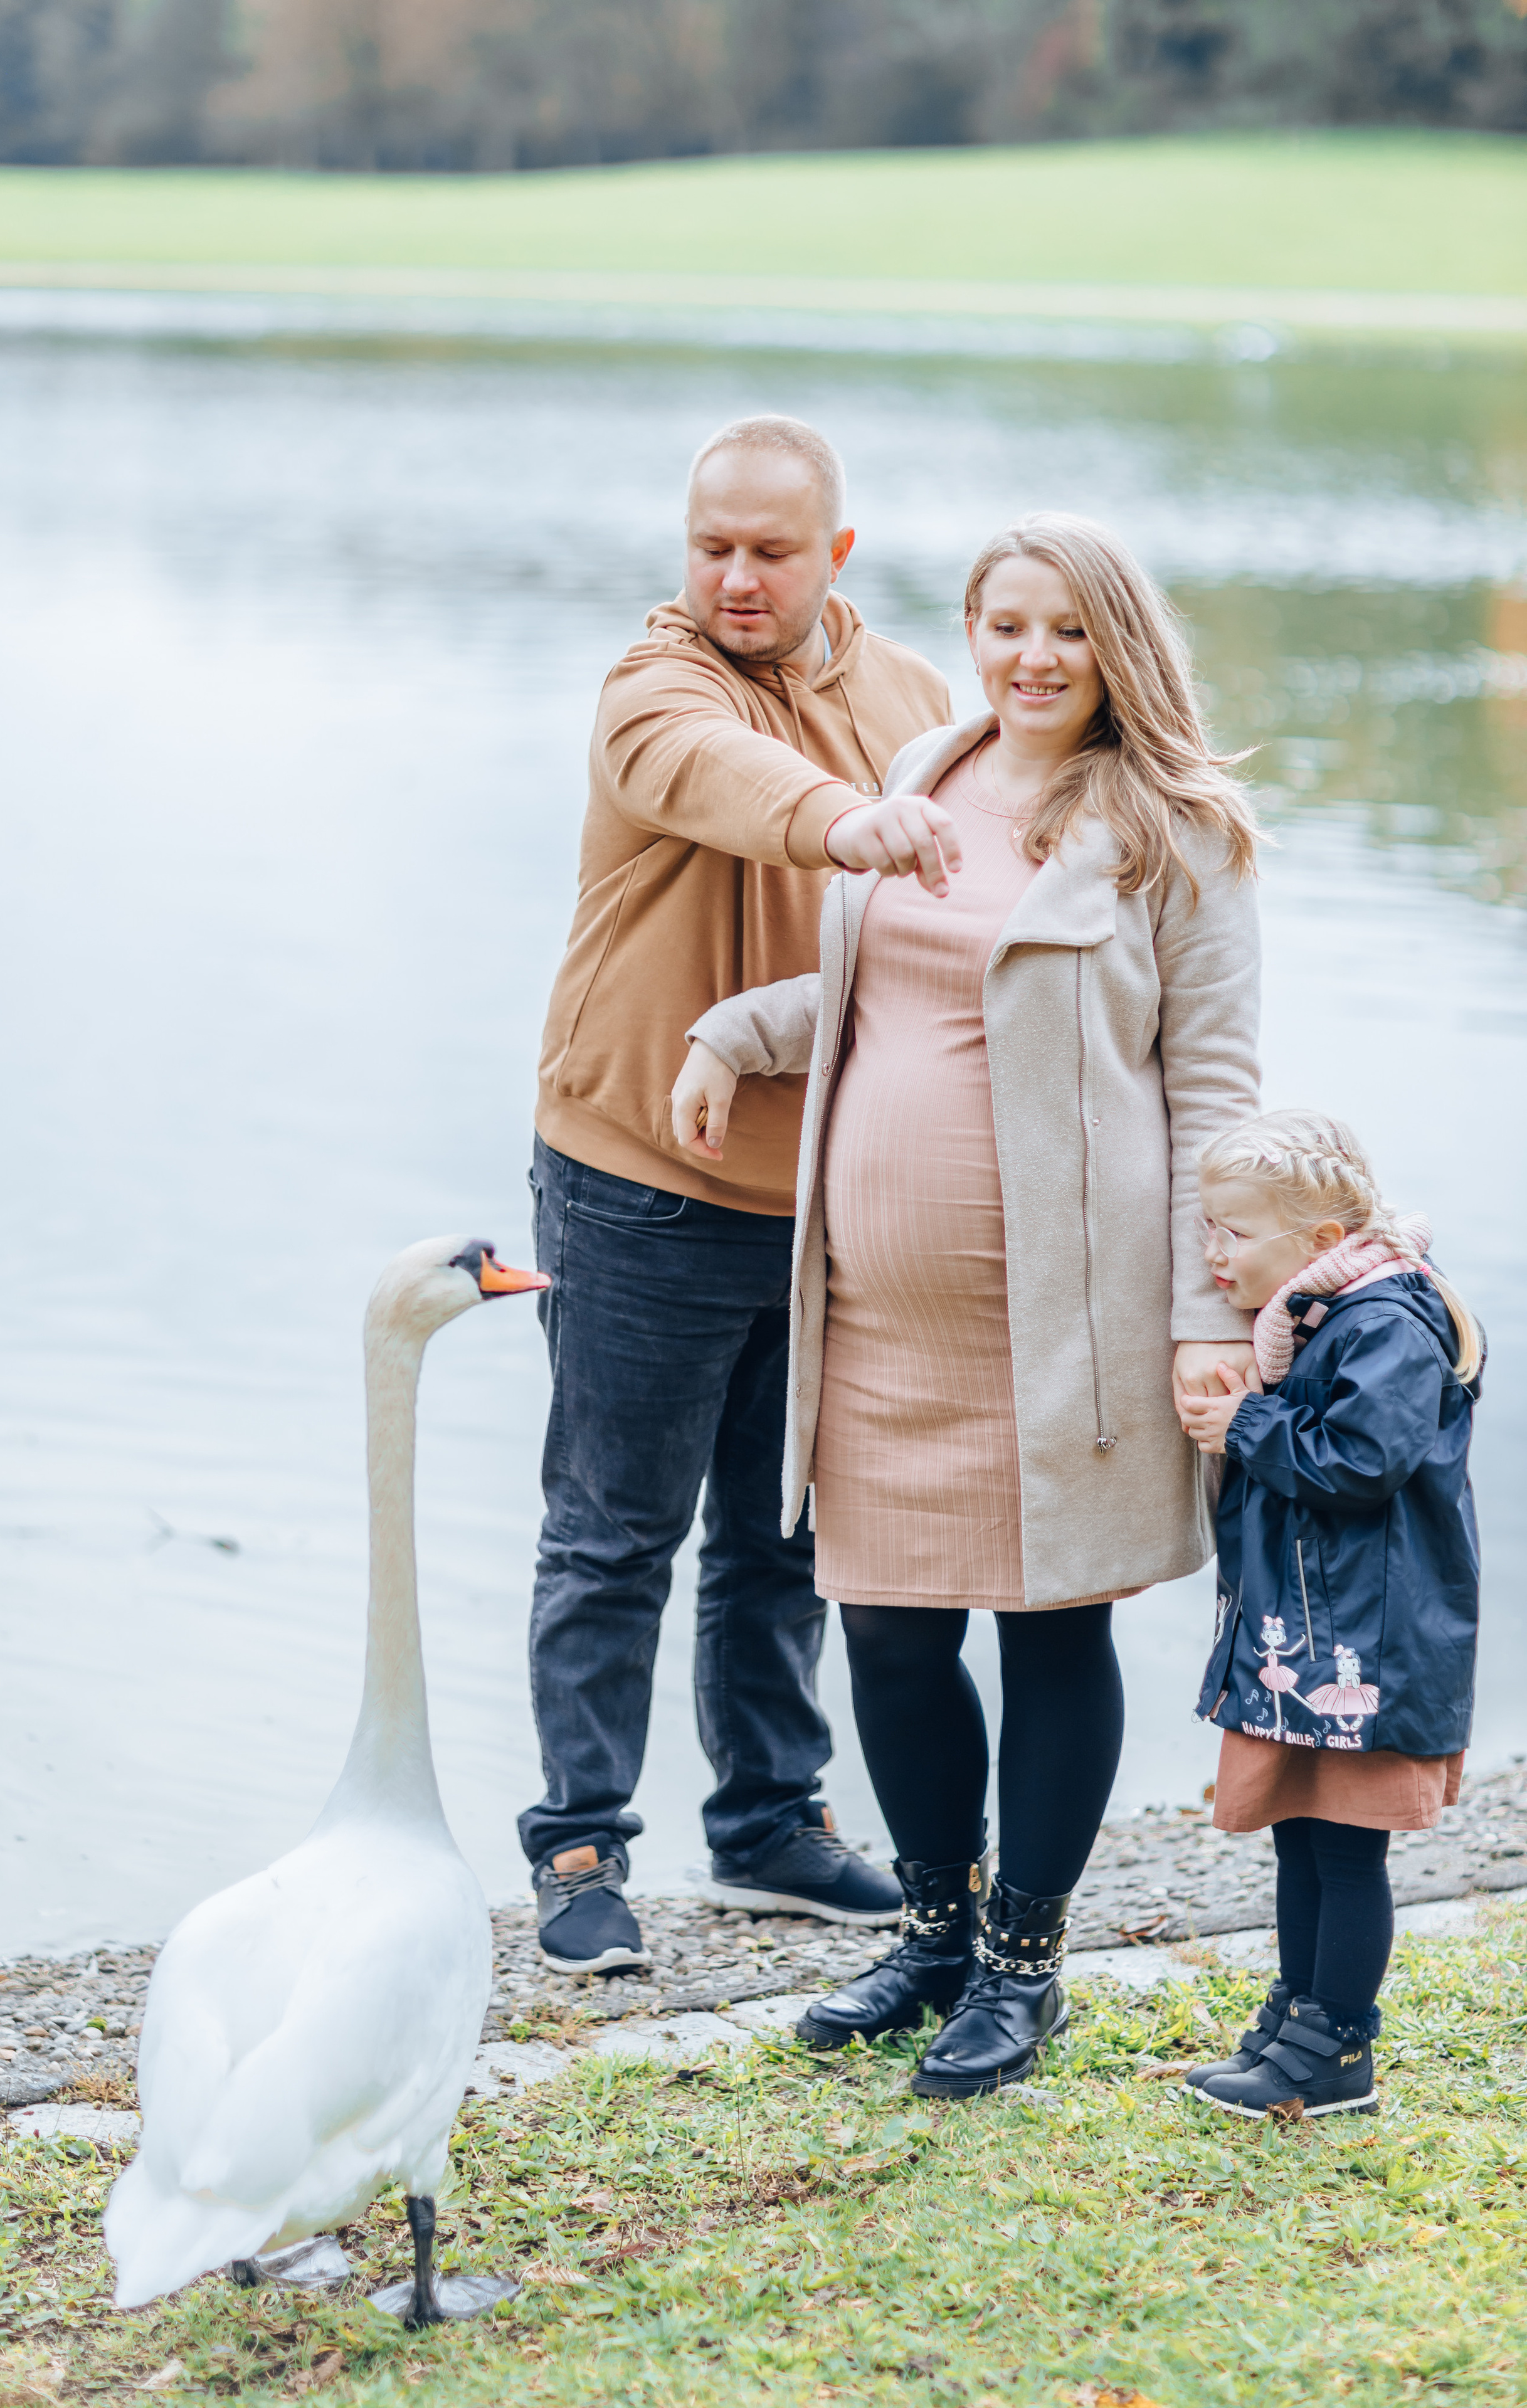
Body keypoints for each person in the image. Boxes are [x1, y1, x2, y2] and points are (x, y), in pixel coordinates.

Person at [672, 512, 1262, 2096]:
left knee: (1050, 1629)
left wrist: (1208, 1320)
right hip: (871, 1315)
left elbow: (1210, 1093)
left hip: (1058, 1321)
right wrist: (735, 1036)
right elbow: (881, 993)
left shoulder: (1170, 830)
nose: (1028, 657)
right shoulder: (923, 773)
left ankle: (1023, 1962)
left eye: (1064, 630)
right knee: (885, 1629)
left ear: (1117, 647)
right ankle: (932, 1932)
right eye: (1003, 623)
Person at [524, 415, 953, 1974]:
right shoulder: (653, 684)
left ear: (834, 555)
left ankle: (769, 1824)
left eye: (770, 550)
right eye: (710, 544)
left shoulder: (911, 697)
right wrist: (851, 821)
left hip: (825, 1192)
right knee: (611, 1534)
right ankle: (579, 1846)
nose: (734, 576)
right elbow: (726, 778)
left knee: (779, 1538)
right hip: (636, 1181)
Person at [1179, 1109, 1482, 2120]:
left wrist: (1251, 1421)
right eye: (1206, 1228)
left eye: (1233, 1232)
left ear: (1316, 1244)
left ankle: (1338, 2046)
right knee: (1300, 1835)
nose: (1213, 1252)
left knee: (1348, 1847)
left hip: (1371, 1645)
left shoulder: (1387, 1320)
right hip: (1313, 1634)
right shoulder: (1319, 1315)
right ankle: (1298, 2016)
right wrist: (1253, 1403)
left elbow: (1363, 1462)